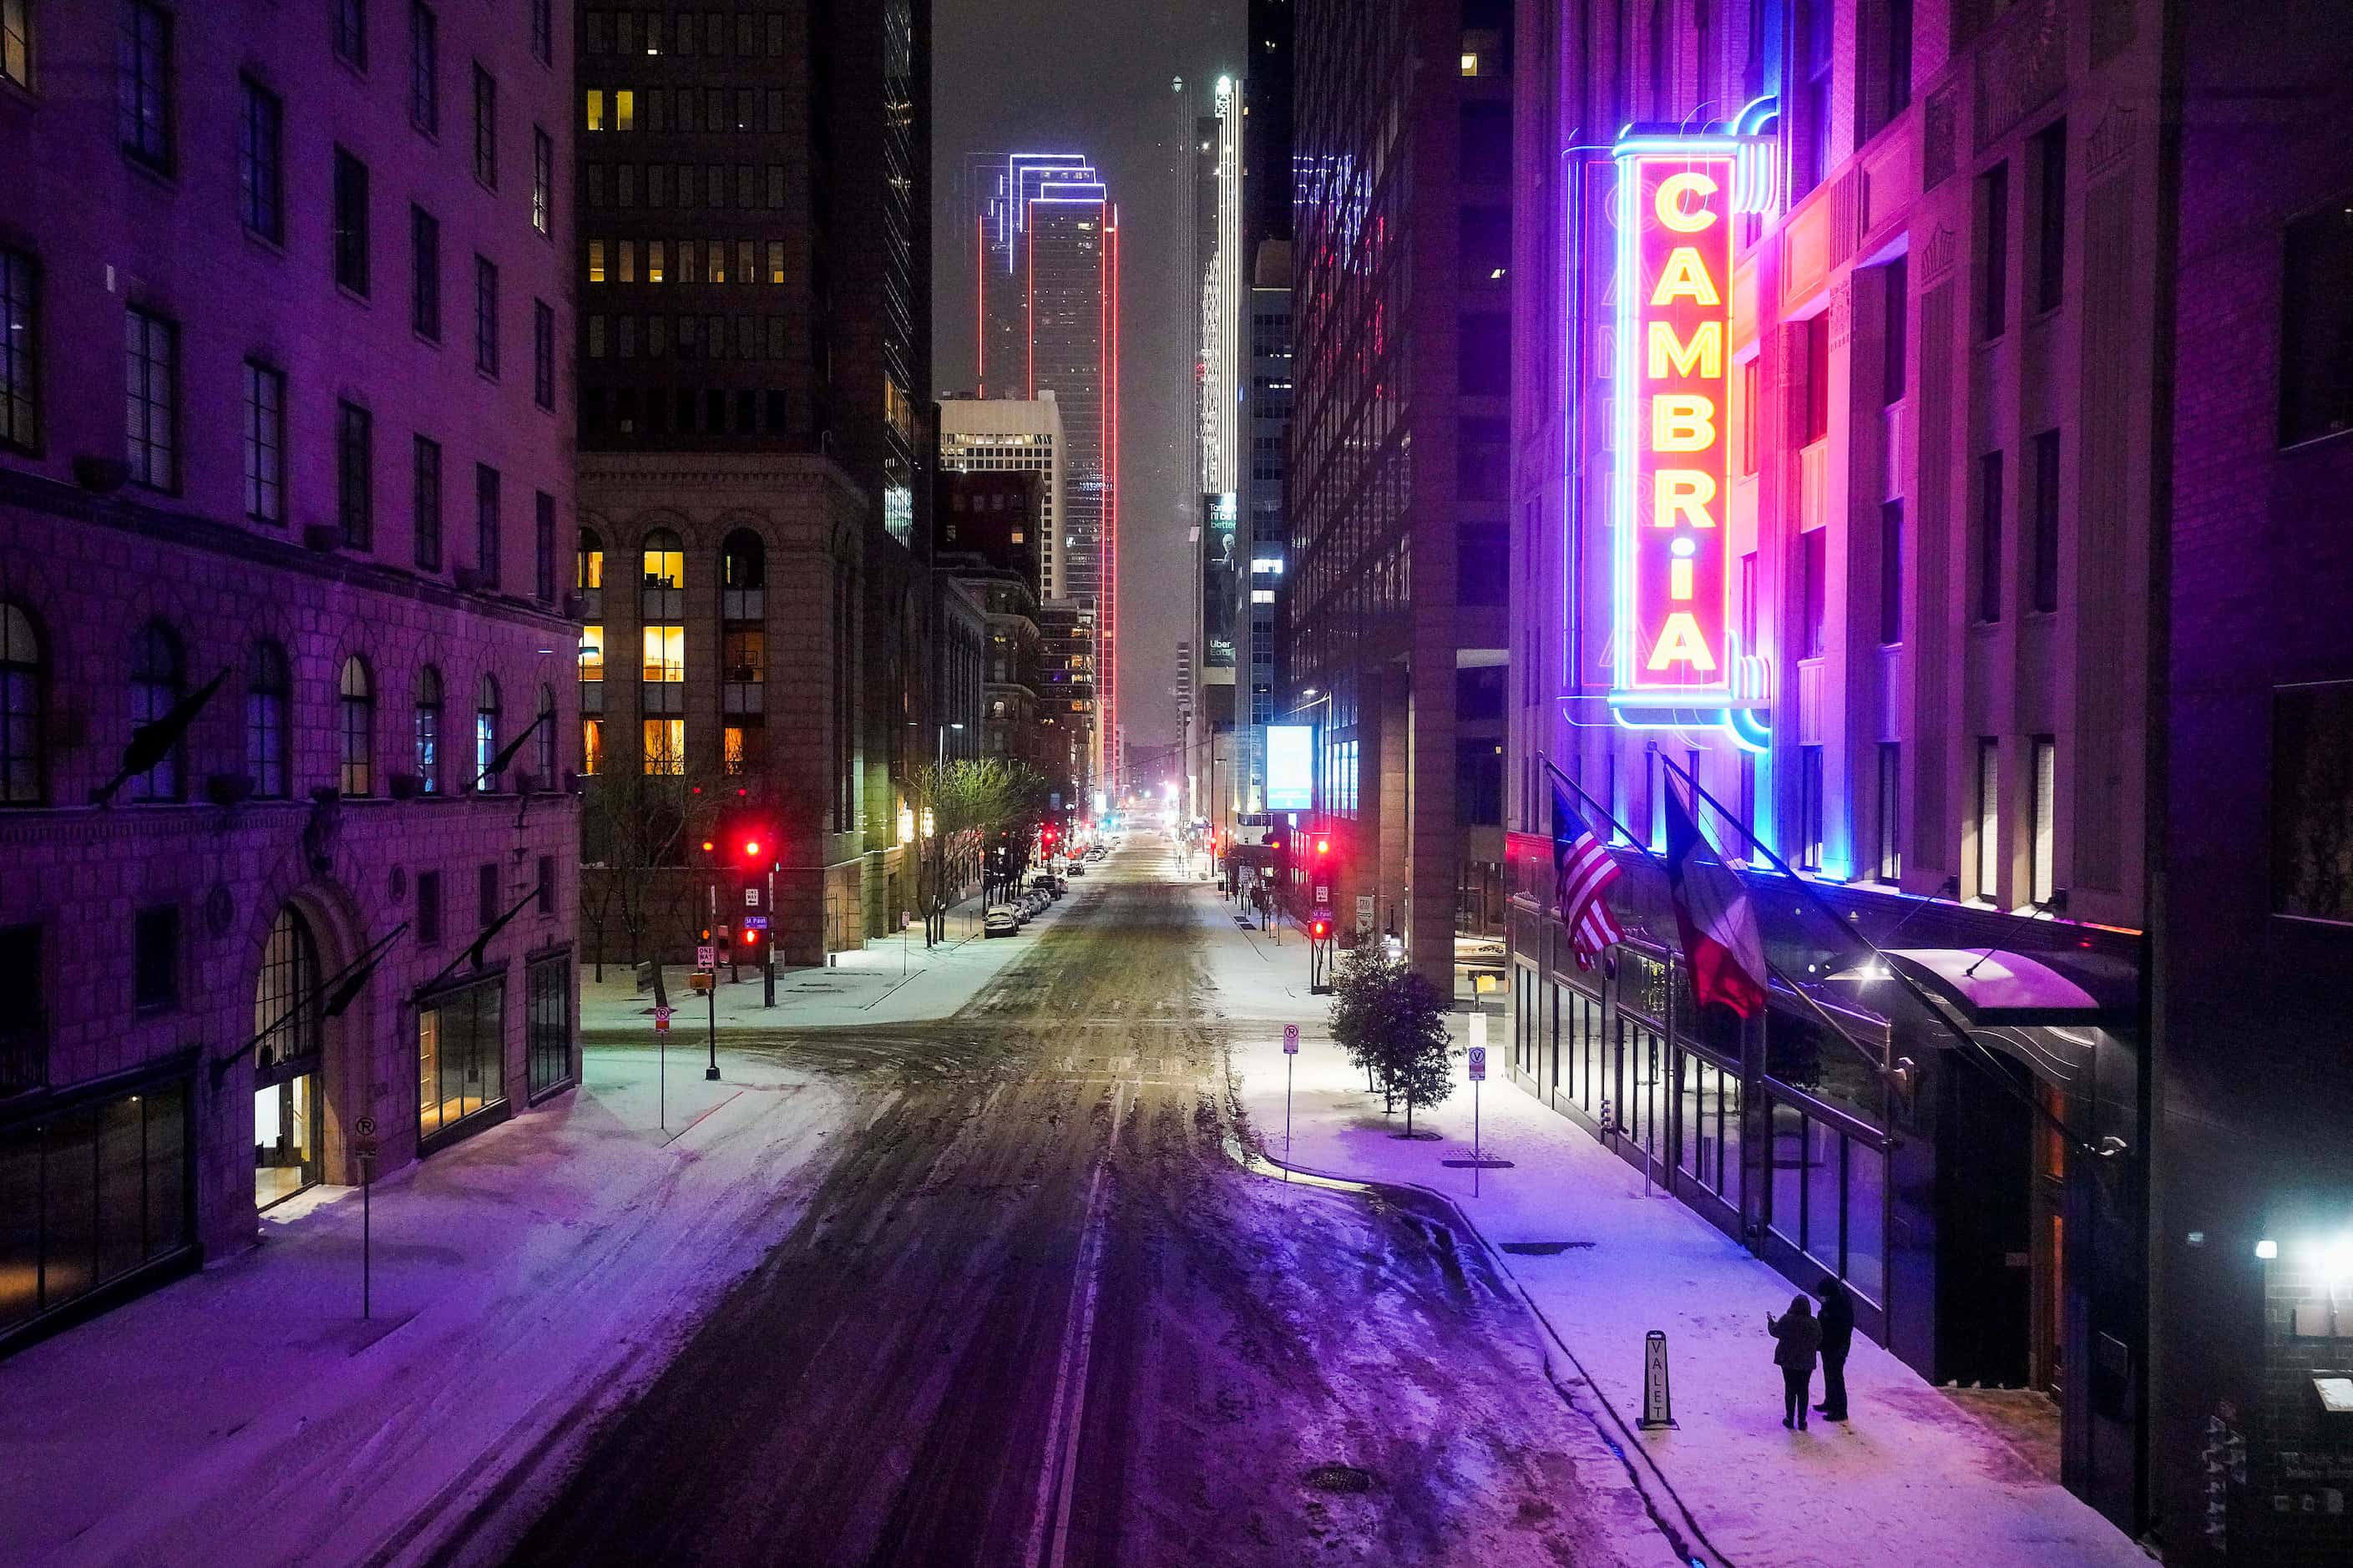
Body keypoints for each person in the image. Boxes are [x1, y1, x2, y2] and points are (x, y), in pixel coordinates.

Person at [1767, 1293, 1822, 1429]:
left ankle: (1789, 1418)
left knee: (1790, 1389)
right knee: (1803, 1389)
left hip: (1788, 1361)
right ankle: (1802, 1420)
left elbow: (1775, 1332)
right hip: (1806, 1362)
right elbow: (1819, 1338)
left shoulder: (1787, 1320)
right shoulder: (1813, 1323)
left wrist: (1770, 1322)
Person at [1814, 1275, 1855, 1422]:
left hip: (1837, 1346)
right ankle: (1830, 1402)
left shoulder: (1839, 1305)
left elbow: (1837, 1327)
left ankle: (1840, 1410)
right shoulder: (1834, 1300)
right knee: (1829, 1374)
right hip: (1828, 1344)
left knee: (1836, 1376)